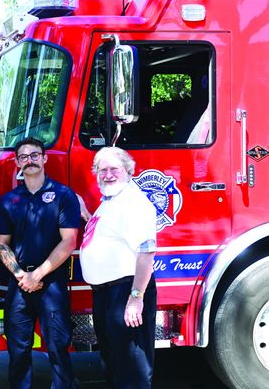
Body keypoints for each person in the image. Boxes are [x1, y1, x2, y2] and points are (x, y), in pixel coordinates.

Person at [0, 137, 81, 389]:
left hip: (52, 283)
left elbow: (69, 241)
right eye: (24, 156)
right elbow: (2, 244)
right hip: (19, 284)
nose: (30, 160)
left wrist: (39, 274)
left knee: (58, 348)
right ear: (17, 162)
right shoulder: (9, 200)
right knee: (18, 351)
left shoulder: (64, 195)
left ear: (44, 158)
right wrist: (22, 275)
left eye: (35, 155)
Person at [79, 147, 157, 389]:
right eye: (103, 170)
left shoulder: (134, 202)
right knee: (114, 362)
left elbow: (146, 252)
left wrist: (136, 298)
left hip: (125, 292)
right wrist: (86, 214)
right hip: (106, 294)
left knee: (132, 367)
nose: (108, 174)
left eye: (114, 169)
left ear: (128, 171)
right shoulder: (111, 201)